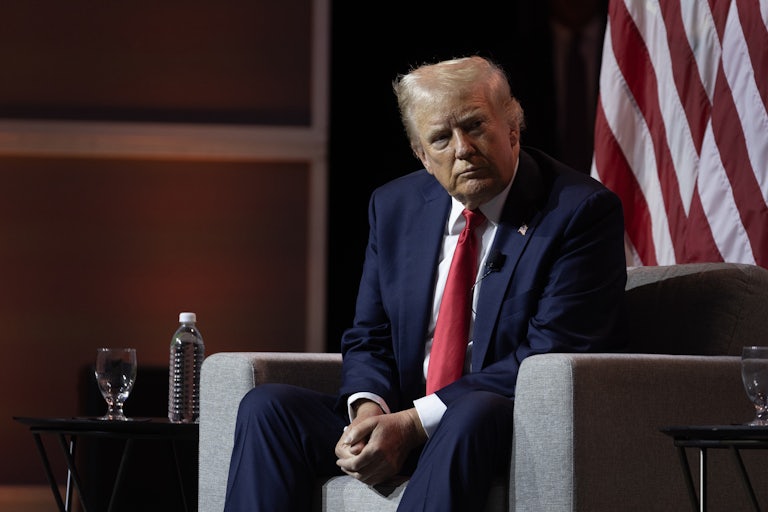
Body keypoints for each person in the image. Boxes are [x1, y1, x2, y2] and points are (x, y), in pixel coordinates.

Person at [223, 55, 627, 511]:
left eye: (475, 126)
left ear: (512, 127)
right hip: (403, 413)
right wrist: (370, 413)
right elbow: (369, 335)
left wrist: (416, 423)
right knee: (268, 408)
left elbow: (550, 353)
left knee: (470, 413)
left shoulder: (580, 212)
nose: (462, 148)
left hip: (499, 423)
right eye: (440, 138)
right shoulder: (394, 207)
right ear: (421, 155)